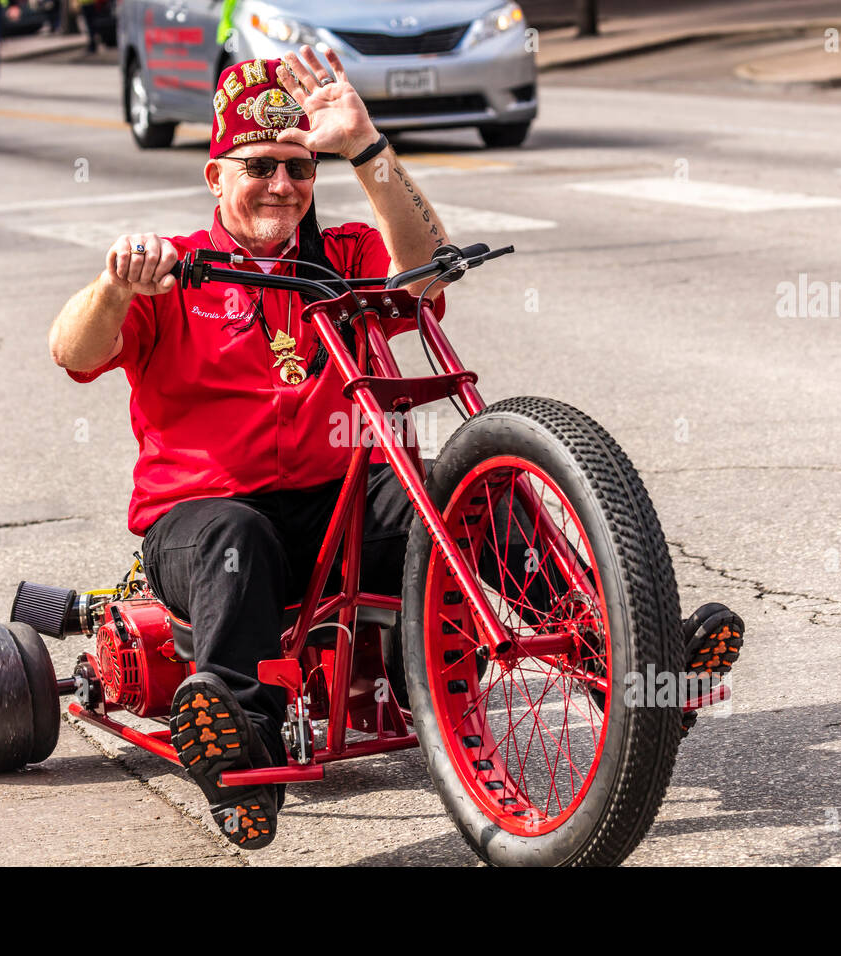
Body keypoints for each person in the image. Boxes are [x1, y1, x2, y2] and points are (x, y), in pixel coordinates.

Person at [50, 49, 744, 850]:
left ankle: (625, 654)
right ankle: (242, 755)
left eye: (300, 168)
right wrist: (114, 286)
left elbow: (424, 271)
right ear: (215, 175)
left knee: (463, 489)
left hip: (340, 505)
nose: (282, 184)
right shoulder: (174, 270)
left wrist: (366, 147)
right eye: (261, 166)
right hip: (206, 519)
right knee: (235, 542)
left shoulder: (339, 254)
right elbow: (73, 351)